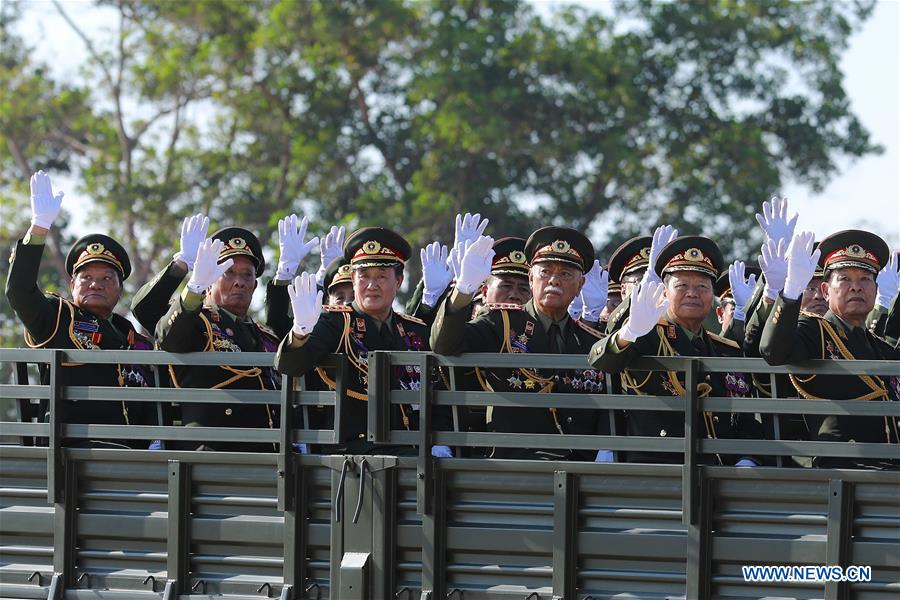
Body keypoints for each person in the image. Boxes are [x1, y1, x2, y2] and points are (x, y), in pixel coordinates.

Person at [430, 227, 610, 461]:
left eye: (566, 274)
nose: (554, 280)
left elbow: (608, 399)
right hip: (514, 462)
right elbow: (444, 345)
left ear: (580, 285)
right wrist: (463, 290)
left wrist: (607, 445)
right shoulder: (501, 322)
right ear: (531, 278)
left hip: (579, 466)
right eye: (545, 271)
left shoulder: (590, 340)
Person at [5, 171, 155, 447]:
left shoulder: (135, 340)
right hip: (74, 452)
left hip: (133, 456)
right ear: (73, 284)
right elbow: (19, 291)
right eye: (86, 278)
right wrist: (39, 228)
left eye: (106, 278)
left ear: (120, 289)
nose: (95, 284)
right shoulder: (57, 318)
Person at [275, 227, 451, 456]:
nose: (372, 285)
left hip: (412, 446)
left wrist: (441, 440)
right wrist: (300, 331)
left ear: (398, 282)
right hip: (352, 450)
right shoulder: (335, 322)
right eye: (364, 276)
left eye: (381, 276)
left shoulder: (413, 330)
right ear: (354, 280)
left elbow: (436, 390)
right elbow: (290, 366)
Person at [588, 235, 762, 465]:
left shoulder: (725, 349)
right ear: (665, 292)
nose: (693, 293)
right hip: (656, 468)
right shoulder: (645, 334)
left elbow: (744, 418)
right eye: (681, 285)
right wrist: (628, 332)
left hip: (720, 471)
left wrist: (748, 459)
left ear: (713, 298)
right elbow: (601, 361)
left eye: (702, 286)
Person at [156, 217, 315, 451]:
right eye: (228, 273)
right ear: (210, 279)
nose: (239, 282)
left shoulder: (264, 336)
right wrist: (194, 289)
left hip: (267, 451)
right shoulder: (198, 322)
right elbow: (168, 337)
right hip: (213, 451)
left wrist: (285, 276)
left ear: (255, 285)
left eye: (247, 275)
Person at [759, 229, 899, 469]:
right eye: (844, 279)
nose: (856, 287)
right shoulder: (814, 329)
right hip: (844, 462)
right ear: (826, 291)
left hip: (886, 461)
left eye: (865, 279)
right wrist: (791, 292)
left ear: (875, 290)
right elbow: (773, 351)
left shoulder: (880, 347)